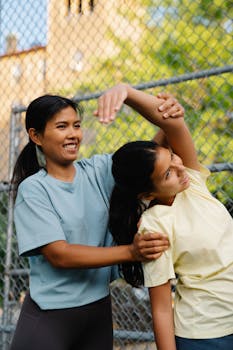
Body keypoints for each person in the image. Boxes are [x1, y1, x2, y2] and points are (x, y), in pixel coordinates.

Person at [10, 89, 179, 350]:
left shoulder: (98, 170)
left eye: (76, 125)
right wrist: (131, 252)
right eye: (62, 126)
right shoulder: (33, 190)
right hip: (50, 317)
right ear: (36, 136)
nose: (73, 134)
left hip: (98, 310)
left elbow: (150, 160)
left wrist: (167, 114)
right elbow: (60, 254)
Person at [107, 84, 233, 350]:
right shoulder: (155, 225)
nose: (179, 167)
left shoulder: (192, 183)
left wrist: (126, 92)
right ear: (147, 193)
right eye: (167, 174)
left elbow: (173, 123)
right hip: (207, 336)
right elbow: (162, 310)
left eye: (173, 156)